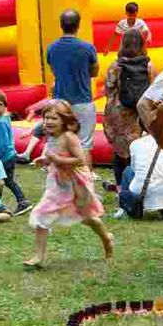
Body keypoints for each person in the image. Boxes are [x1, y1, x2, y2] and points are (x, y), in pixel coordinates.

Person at [26, 100, 114, 268]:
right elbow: (52, 155)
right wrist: (44, 160)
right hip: (58, 184)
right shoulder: (50, 136)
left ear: (64, 120)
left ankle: (106, 238)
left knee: (88, 218)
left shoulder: (69, 137)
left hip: (76, 183)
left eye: (54, 118)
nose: (49, 122)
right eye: (46, 118)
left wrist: (56, 159)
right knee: (42, 214)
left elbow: (80, 160)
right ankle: (38, 256)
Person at [102, 28, 155, 207]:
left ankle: (120, 188)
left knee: (119, 152)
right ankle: (137, 186)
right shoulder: (149, 65)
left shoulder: (116, 66)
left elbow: (108, 89)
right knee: (138, 151)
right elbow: (154, 89)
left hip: (119, 114)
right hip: (138, 115)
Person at [47, 9, 99, 165]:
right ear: (78, 25)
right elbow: (94, 72)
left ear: (61, 25)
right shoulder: (87, 48)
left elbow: (54, 71)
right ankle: (86, 175)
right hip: (83, 100)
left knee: (59, 142)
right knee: (84, 144)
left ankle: (59, 176)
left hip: (60, 102)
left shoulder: (52, 48)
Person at [0, 90, 31, 215]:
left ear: (0, 104)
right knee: (8, 181)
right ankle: (21, 201)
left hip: (4, 158)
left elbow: (4, 144)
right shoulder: (4, 118)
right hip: (9, 156)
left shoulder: (0, 122)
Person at [118, 133, 163, 219]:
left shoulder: (135, 144)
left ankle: (124, 207)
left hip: (141, 190)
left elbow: (134, 168)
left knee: (127, 171)